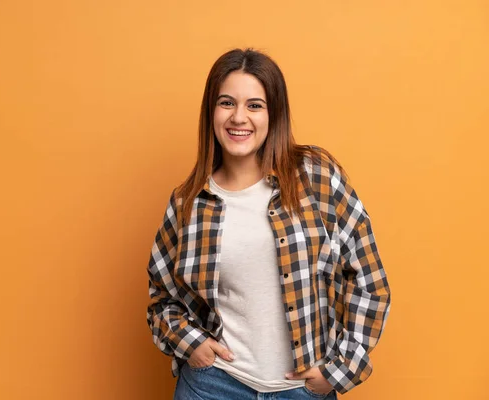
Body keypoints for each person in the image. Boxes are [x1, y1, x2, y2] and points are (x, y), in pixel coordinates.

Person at [146, 48, 391, 400]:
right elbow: (161, 298)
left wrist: (339, 370)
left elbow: (370, 279)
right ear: (211, 112)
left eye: (255, 105)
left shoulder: (315, 177)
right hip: (213, 386)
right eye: (227, 103)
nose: (239, 118)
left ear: (273, 114)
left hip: (302, 392)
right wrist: (192, 344)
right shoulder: (189, 202)